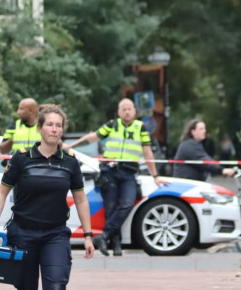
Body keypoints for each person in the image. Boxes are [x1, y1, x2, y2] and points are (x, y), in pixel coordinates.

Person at [0, 104, 95, 290]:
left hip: (55, 234)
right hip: (22, 232)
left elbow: (80, 198)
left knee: (56, 288)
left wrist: (90, 234)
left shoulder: (70, 161)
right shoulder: (21, 158)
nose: (54, 129)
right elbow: (1, 192)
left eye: (59, 125)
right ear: (40, 127)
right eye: (49, 124)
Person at [63, 98, 167, 256]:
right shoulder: (112, 125)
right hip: (109, 172)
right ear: (119, 112)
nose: (126, 111)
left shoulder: (141, 128)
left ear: (134, 111)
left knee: (127, 203)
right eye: (123, 109)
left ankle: (103, 236)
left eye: (129, 108)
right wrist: (71, 146)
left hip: (129, 173)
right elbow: (92, 137)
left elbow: (147, 152)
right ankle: (116, 245)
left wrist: (155, 175)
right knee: (110, 208)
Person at [172, 119, 238, 182]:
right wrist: (222, 170)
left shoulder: (193, 143)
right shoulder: (190, 145)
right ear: (193, 132)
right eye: (201, 129)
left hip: (191, 183)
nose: (204, 131)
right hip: (187, 186)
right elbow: (204, 160)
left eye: (204, 128)